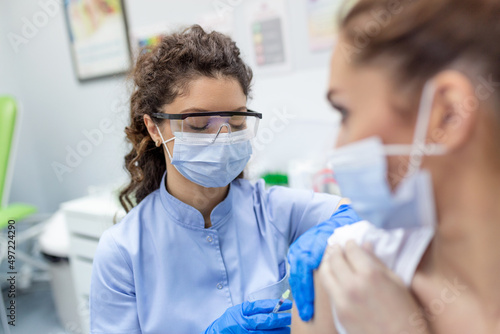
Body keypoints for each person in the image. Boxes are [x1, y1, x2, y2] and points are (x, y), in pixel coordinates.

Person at [89, 25, 357, 334]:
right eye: (200, 124)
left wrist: (334, 232)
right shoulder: (122, 252)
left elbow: (365, 214)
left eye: (236, 120)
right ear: (154, 128)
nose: (223, 137)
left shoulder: (271, 208)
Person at [292, 0, 500, 333]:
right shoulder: (344, 275)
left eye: (345, 112)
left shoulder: (347, 293)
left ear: (448, 113)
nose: (337, 149)